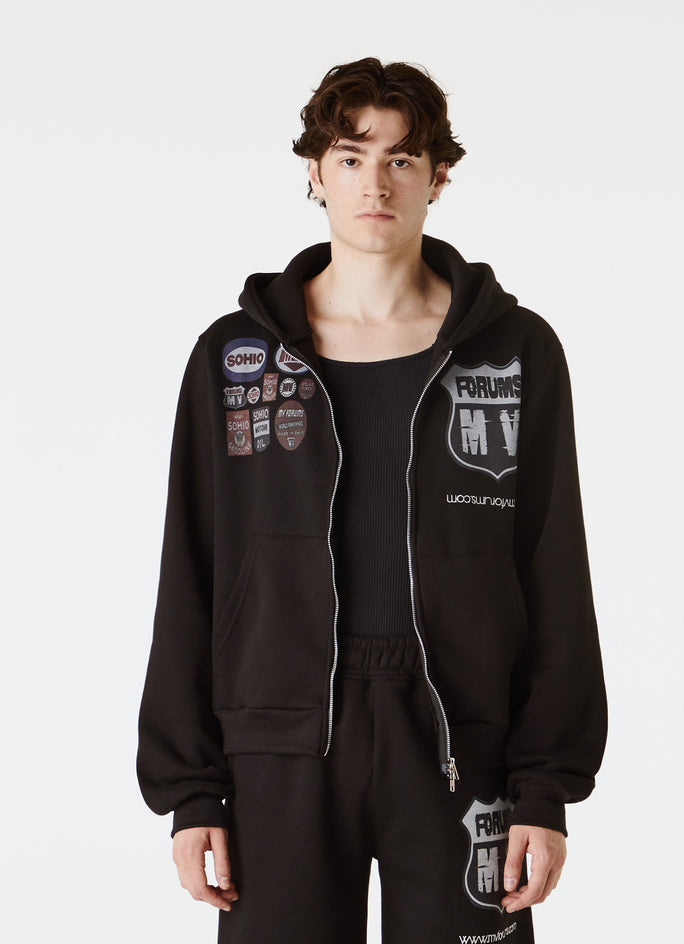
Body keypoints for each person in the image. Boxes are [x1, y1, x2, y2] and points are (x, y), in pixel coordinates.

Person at [137, 57, 607, 943]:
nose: (375, 185)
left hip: (462, 734)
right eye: (351, 158)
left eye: (401, 159)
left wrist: (545, 787)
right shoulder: (235, 359)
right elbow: (190, 569)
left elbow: (554, 568)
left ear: (438, 176)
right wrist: (191, 789)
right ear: (315, 173)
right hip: (280, 736)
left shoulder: (514, 352)